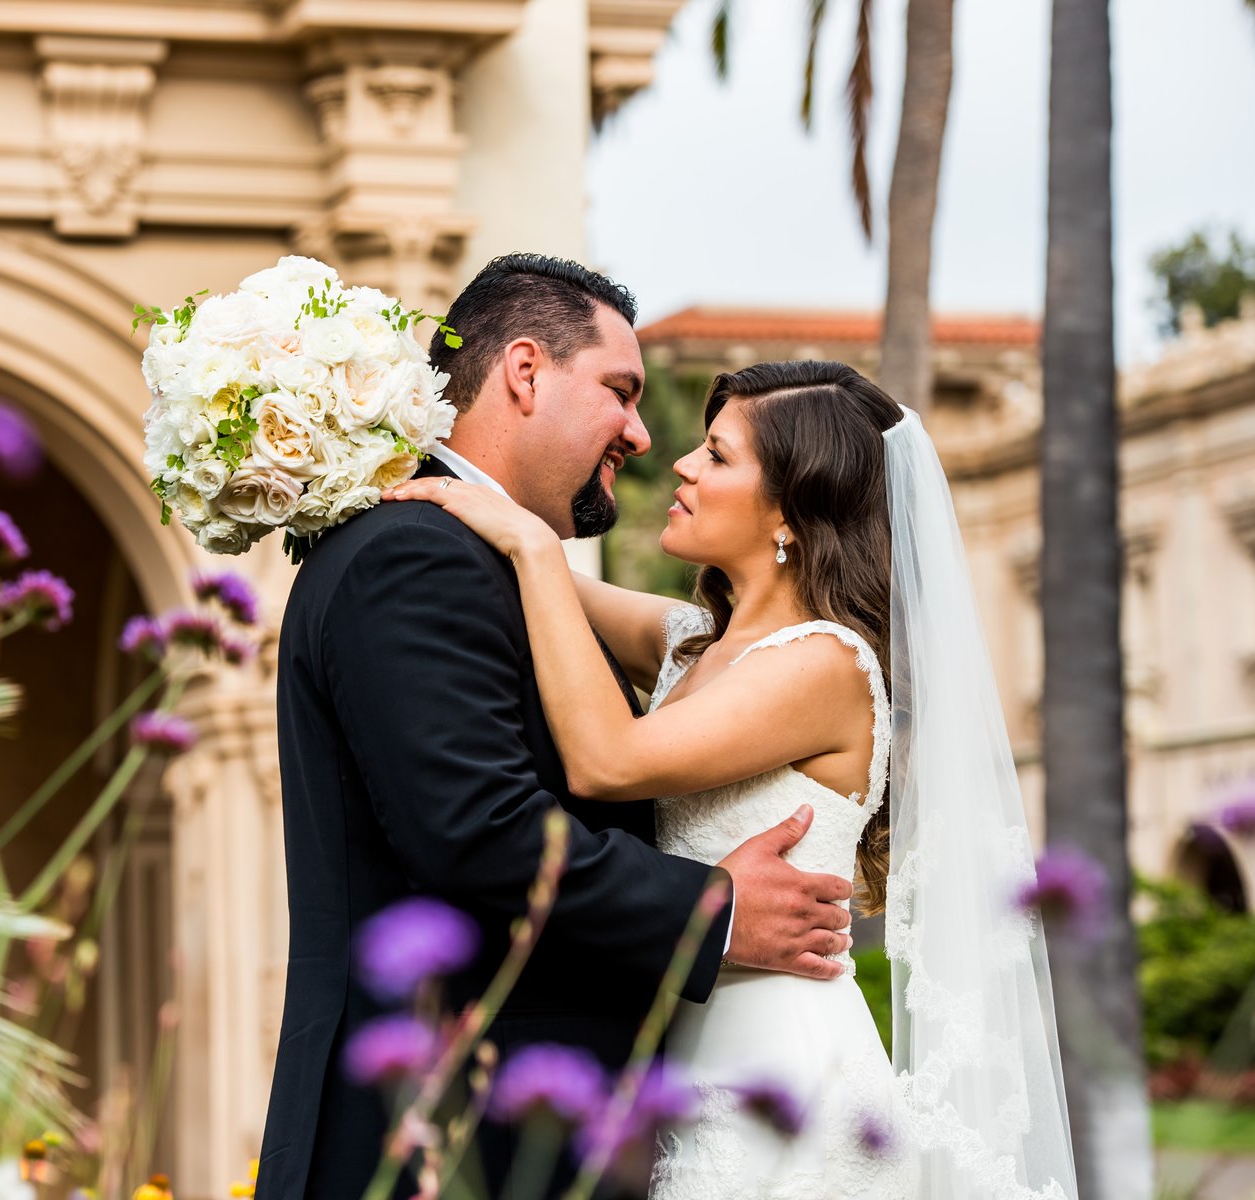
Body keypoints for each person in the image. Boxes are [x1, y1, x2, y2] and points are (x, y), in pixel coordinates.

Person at [386, 360, 1078, 1198]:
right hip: (691, 1064)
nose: (680, 464)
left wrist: (533, 542)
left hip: (782, 1074)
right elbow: (534, 581)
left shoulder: (824, 663)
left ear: (788, 509)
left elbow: (605, 761)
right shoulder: (693, 646)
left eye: (716, 455)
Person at [255, 258, 857, 1200]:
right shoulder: (417, 556)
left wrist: (526, 542)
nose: (646, 437)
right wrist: (714, 911)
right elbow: (478, 829)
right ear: (525, 372)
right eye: (621, 391)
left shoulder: (486, 558)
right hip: (446, 1135)